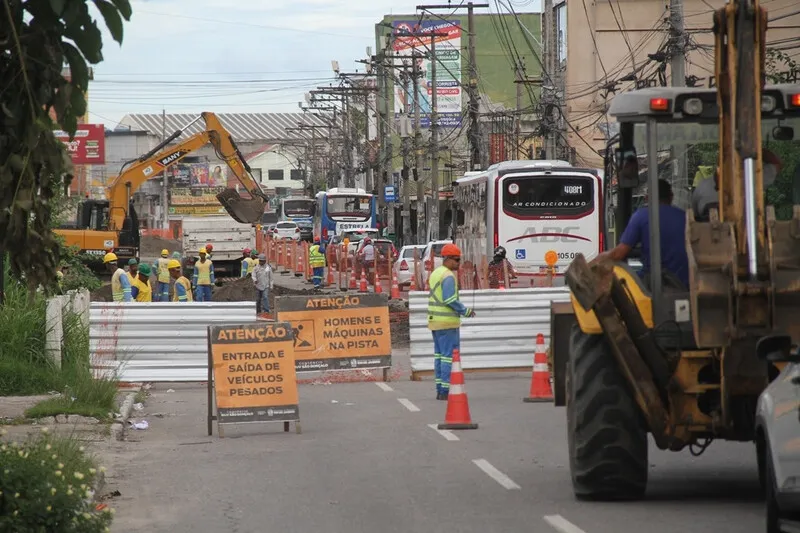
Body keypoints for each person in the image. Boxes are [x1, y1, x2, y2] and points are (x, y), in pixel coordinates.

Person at [599, 179, 690, 289]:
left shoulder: (641, 216)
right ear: (671, 196)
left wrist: (598, 259)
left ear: (647, 198)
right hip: (686, 284)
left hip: (656, 284)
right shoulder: (685, 217)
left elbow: (619, 254)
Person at [427, 243, 476, 401]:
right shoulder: (448, 276)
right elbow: (449, 299)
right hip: (447, 323)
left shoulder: (436, 273)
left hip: (436, 322)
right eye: (456, 260)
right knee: (449, 357)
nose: (458, 263)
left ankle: (440, 389)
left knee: (439, 356)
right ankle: (447, 390)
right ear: (447, 259)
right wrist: (466, 311)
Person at [692, 150, 783, 221]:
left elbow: (776, 164)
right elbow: (694, 219)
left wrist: (756, 150)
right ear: (718, 166)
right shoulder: (702, 187)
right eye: (726, 164)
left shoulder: (751, 182)